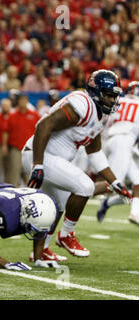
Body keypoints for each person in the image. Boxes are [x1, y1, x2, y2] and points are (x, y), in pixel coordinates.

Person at [22, 69, 132, 259]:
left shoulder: (101, 115)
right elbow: (43, 126)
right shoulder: (82, 105)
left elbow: (95, 153)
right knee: (85, 186)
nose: (113, 101)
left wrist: (115, 182)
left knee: (58, 206)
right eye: (108, 95)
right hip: (39, 155)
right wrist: (37, 164)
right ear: (96, 92)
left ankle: (40, 253)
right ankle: (66, 235)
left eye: (115, 96)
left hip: (51, 159)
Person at [0, 174, 59, 269]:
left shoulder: (46, 204)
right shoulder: (6, 212)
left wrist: (38, 259)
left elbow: (41, 229)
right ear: (24, 214)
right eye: (31, 228)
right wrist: (6, 264)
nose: (35, 232)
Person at [97, 81, 139, 225]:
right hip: (125, 142)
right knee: (112, 185)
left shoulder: (118, 101)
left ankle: (133, 213)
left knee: (136, 182)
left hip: (109, 140)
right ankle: (75, 194)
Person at [4, 93, 40, 186]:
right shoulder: (12, 115)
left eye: (24, 100)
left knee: (29, 174)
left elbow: (39, 132)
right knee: (14, 173)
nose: (23, 102)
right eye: (21, 101)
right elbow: (6, 131)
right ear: (18, 102)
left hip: (29, 150)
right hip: (15, 149)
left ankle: (31, 194)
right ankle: (13, 194)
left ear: (27, 102)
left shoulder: (34, 115)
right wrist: (4, 145)